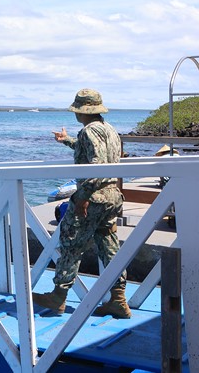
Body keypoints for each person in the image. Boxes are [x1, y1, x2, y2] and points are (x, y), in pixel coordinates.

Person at [32, 89, 131, 319]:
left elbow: (97, 164)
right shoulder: (110, 130)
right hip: (112, 195)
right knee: (109, 244)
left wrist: (83, 196)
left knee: (70, 242)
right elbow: (100, 155)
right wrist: (67, 140)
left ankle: (58, 297)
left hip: (93, 195)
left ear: (82, 111)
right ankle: (118, 300)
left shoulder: (88, 131)